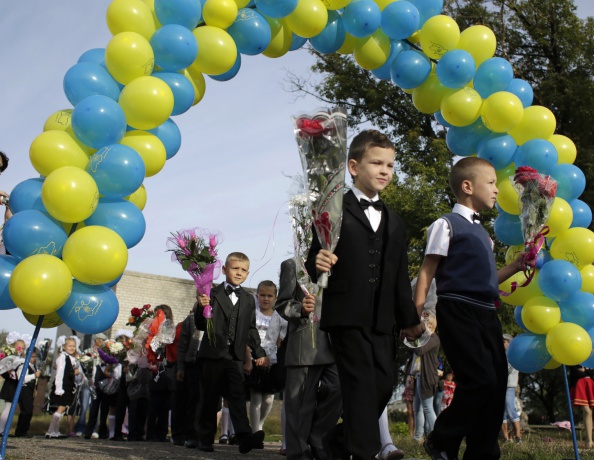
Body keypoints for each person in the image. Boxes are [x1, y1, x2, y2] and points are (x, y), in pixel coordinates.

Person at [306, 129, 424, 460]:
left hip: (384, 319)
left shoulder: (397, 223)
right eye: (377, 163)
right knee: (359, 385)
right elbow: (313, 254)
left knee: (384, 385)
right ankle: (364, 452)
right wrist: (318, 261)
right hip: (346, 313)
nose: (385, 170)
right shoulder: (333, 208)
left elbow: (401, 278)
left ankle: (339, 441)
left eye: (390, 164)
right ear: (354, 166)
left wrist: (410, 321)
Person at [414, 156, 525, 460]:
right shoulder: (446, 224)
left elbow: (489, 280)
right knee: (479, 380)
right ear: (467, 186)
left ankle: (483, 453)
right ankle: (441, 439)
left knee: (497, 382)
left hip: (486, 312)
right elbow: (427, 271)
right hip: (457, 309)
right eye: (490, 183)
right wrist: (416, 314)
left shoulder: (484, 236)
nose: (497, 190)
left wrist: (515, 265)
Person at [195, 252, 270, 454]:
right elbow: (201, 324)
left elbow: (251, 329)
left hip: (235, 356)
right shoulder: (211, 293)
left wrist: (258, 351)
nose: (239, 273)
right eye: (235, 268)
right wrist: (200, 308)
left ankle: (244, 437)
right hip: (212, 354)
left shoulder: (247, 299)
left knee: (237, 396)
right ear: (225, 270)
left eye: (244, 270)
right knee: (210, 398)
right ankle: (205, 438)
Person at [277, 257, 342, 460]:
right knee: (300, 403)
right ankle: (298, 452)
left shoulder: (339, 261)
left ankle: (318, 439)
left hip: (336, 341)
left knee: (338, 389)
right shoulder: (292, 264)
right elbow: (283, 302)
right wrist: (300, 309)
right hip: (305, 340)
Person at [246, 280, 287, 436]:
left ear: (275, 298)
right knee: (255, 397)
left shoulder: (279, 316)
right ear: (257, 296)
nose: (266, 299)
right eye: (262, 295)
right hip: (255, 358)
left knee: (269, 399)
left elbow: (279, 339)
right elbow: (248, 337)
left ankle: (260, 424)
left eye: (269, 295)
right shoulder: (253, 315)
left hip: (272, 360)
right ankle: (255, 431)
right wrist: (249, 359)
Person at [176, 298, 203, 447]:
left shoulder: (219, 315)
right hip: (194, 362)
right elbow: (182, 345)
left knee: (209, 400)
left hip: (212, 361)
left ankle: (206, 434)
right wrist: (180, 367)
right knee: (194, 399)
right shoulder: (191, 319)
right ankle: (192, 435)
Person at [0, 338, 39, 438]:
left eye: (23, 348)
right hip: (10, 386)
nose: (20, 350)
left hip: (14, 386)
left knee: (10, 409)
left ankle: (4, 429)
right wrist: (9, 372)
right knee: (8, 408)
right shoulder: (12, 358)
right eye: (18, 347)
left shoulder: (20, 359)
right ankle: (1, 429)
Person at [412, 312, 440, 444]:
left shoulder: (433, 338)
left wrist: (413, 337)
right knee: (417, 408)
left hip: (427, 378)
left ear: (430, 325)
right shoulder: (428, 338)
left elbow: (419, 350)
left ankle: (436, 436)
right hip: (420, 376)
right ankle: (418, 437)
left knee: (428, 408)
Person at [46, 337, 80, 439]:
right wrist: (59, 389)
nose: (72, 348)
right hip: (63, 386)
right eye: (69, 346)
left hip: (68, 386)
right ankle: (51, 431)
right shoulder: (62, 358)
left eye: (74, 346)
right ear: (64, 346)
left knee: (63, 408)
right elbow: (60, 374)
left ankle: (55, 430)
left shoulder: (69, 358)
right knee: (60, 408)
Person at [74, 333, 107, 437]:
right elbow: (82, 366)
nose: (101, 342)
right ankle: (80, 427)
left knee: (95, 406)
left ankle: (92, 429)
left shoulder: (104, 353)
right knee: (84, 406)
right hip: (87, 382)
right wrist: (86, 377)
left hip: (98, 383)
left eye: (103, 340)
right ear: (95, 340)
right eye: (100, 340)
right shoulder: (88, 352)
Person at [501, 333, 522, 444]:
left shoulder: (513, 355)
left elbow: (507, 370)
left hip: (509, 385)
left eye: (504, 342)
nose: (501, 344)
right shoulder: (500, 354)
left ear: (510, 343)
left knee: (510, 408)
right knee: (501, 411)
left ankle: (518, 436)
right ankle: (506, 438)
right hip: (500, 386)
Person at [569, 365, 594, 449]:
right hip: (579, 383)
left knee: (590, 412)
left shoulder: (589, 358)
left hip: (589, 383)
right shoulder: (573, 359)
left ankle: (589, 440)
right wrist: (587, 372)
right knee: (587, 411)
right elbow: (574, 372)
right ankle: (588, 441)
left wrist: (584, 371)